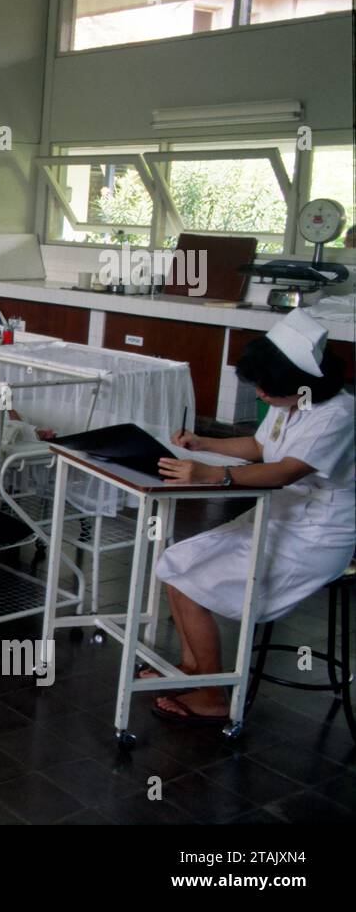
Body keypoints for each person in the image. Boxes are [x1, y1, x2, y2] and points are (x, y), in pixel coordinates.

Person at [150, 308, 355, 725]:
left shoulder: (339, 415)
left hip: (317, 535)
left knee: (191, 585)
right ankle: (194, 670)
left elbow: (287, 469)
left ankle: (212, 696)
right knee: (175, 563)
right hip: (277, 513)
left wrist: (212, 474)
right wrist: (201, 442)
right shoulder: (291, 400)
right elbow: (261, 448)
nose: (260, 396)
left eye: (265, 388)